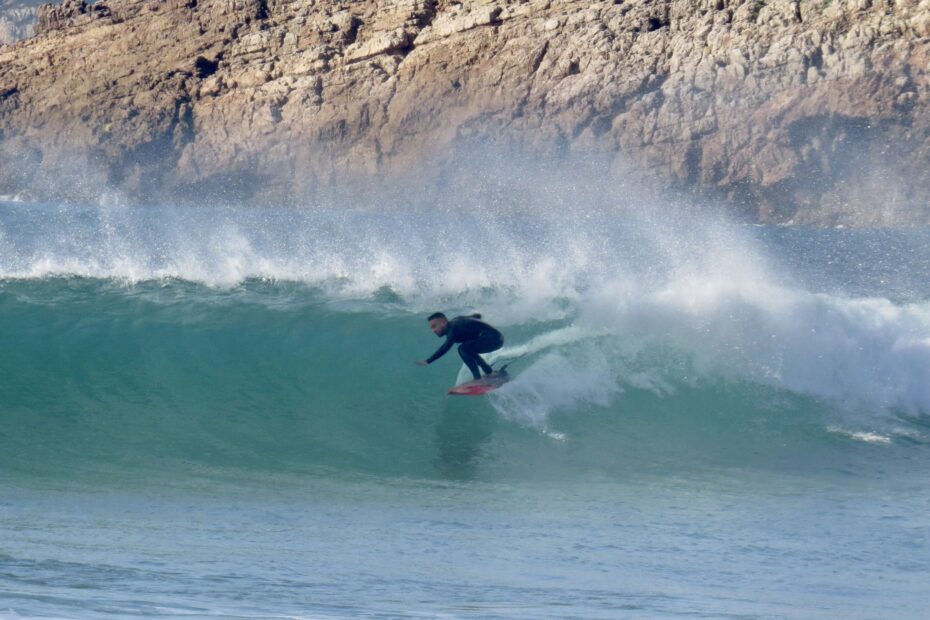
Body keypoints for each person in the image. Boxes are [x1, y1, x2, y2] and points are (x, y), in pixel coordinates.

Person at [415, 312, 504, 380]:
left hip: (494, 339)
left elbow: (445, 348)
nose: (433, 330)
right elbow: (476, 316)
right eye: (431, 328)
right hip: (493, 337)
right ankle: (487, 372)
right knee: (466, 348)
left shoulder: (453, 329)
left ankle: (481, 376)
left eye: (434, 326)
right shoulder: (455, 323)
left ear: (442, 322)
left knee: (463, 349)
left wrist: (428, 361)